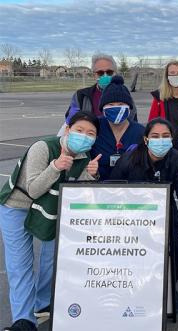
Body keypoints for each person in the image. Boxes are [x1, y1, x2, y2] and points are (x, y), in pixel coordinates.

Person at [0, 112, 100, 331]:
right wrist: (55, 166)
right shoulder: (43, 147)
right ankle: (23, 320)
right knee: (20, 264)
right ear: (67, 130)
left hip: (51, 209)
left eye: (90, 133)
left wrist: (91, 175)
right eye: (79, 130)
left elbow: (77, 192)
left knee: (52, 256)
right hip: (18, 205)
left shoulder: (85, 157)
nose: (84, 136)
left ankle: (43, 303)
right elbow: (34, 189)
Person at [110, 117, 178, 313]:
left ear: (172, 138)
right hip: (133, 212)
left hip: (165, 210)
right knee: (135, 251)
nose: (160, 140)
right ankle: (133, 287)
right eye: (155, 136)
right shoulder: (131, 157)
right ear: (146, 139)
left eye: (165, 136)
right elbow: (113, 187)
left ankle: (170, 287)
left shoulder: (176, 158)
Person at [148, 60, 178, 241]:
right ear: (166, 76)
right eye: (172, 73)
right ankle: (162, 223)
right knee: (164, 189)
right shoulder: (159, 98)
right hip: (165, 151)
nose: (175, 76)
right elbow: (152, 124)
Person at [90, 75, 145, 180]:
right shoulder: (94, 127)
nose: (116, 108)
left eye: (121, 103)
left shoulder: (140, 132)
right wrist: (93, 173)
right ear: (103, 108)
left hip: (132, 190)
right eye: (110, 104)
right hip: (99, 189)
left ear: (129, 107)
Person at [63, 54, 137, 131]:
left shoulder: (124, 94)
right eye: (100, 73)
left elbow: (132, 120)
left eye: (109, 72)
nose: (105, 76)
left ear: (115, 73)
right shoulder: (81, 96)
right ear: (94, 75)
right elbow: (71, 122)